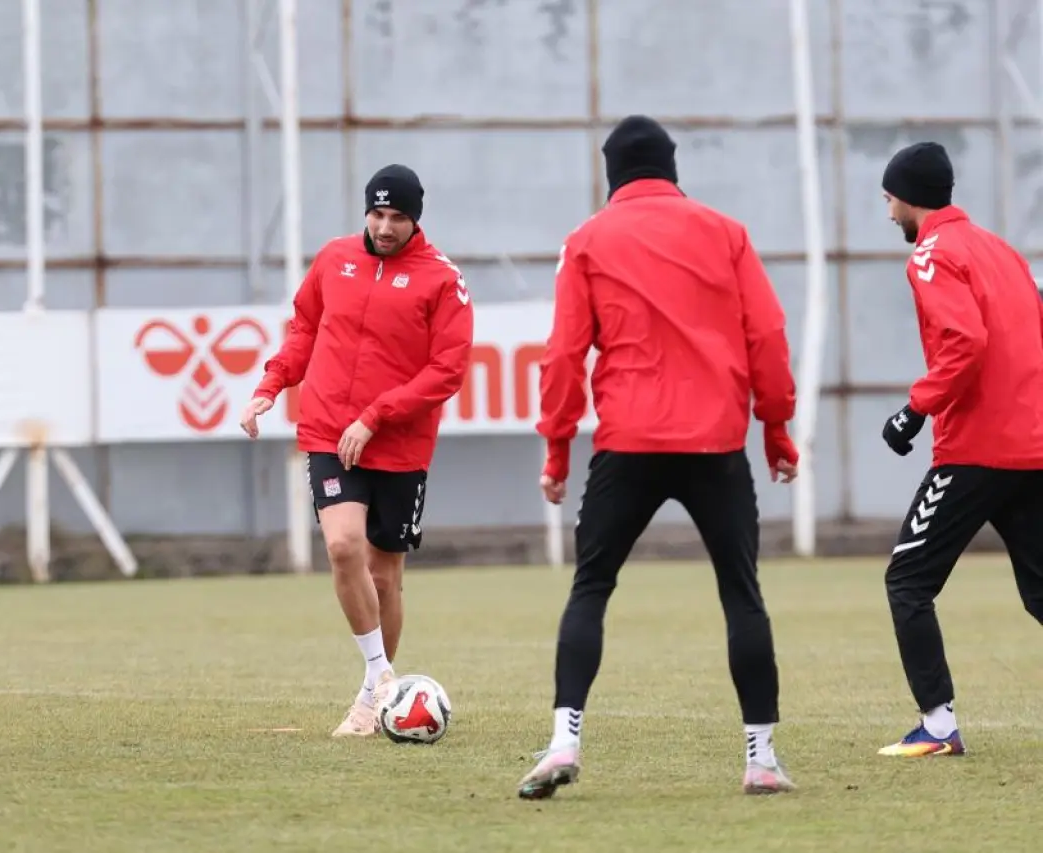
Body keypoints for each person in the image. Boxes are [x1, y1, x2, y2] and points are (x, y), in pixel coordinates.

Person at [516, 116, 801, 800]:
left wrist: (556, 450)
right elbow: (766, 332)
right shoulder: (726, 233)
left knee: (591, 588)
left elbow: (563, 354)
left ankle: (564, 741)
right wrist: (776, 428)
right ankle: (761, 759)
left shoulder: (587, 240)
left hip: (629, 443)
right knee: (742, 594)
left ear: (611, 172)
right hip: (715, 445)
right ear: (672, 168)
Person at [240, 164, 474, 737]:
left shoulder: (442, 280)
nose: (385, 227)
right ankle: (382, 678)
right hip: (328, 430)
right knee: (343, 546)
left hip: (400, 445)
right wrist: (272, 384)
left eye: (397, 217)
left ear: (416, 220)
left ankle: (372, 701)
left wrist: (376, 416)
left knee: (385, 578)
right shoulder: (333, 259)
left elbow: (447, 370)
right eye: (377, 214)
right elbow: (304, 329)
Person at [875, 142, 1043, 758]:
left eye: (889, 197)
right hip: (1033, 447)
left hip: (975, 450)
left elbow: (964, 343)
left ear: (909, 196)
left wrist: (914, 410)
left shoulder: (931, 255)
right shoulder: (1002, 251)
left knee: (908, 581)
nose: (888, 210)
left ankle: (938, 727)